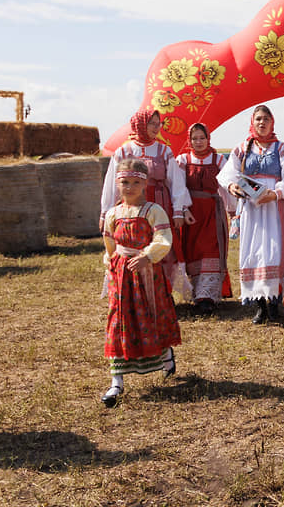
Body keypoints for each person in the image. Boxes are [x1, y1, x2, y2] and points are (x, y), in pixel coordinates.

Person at [100, 158, 181, 408]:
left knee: (151, 316)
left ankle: (166, 356)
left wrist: (147, 256)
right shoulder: (113, 214)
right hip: (121, 276)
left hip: (147, 273)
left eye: (135, 182)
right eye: (124, 182)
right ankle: (117, 382)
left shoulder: (153, 211)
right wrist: (112, 264)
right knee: (118, 321)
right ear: (117, 183)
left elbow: (163, 237)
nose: (129, 187)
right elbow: (110, 245)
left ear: (145, 184)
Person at [216, 105, 284, 324]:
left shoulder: (283, 149)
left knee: (274, 251)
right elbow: (227, 173)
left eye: (266, 119)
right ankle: (260, 305)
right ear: (252, 122)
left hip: (275, 208)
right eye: (258, 119)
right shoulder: (243, 148)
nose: (262, 123)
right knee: (253, 251)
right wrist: (232, 186)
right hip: (251, 209)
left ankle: (274, 303)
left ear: (273, 122)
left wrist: (275, 193)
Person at [101, 109, 193, 301]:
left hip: (160, 203)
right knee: (132, 246)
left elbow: (175, 182)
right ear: (140, 124)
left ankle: (161, 293)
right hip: (130, 207)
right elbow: (112, 184)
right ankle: (132, 292)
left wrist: (178, 210)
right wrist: (106, 212)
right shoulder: (123, 151)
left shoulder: (164, 150)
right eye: (152, 123)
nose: (156, 128)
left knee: (161, 247)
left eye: (158, 124)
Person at [175, 123, 235, 315]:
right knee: (193, 250)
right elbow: (177, 187)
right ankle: (196, 293)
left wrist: (233, 211)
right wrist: (183, 209)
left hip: (212, 212)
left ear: (208, 138)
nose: (199, 142)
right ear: (189, 140)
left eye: (202, 138)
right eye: (194, 139)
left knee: (211, 250)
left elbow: (226, 185)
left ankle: (206, 296)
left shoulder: (218, 160)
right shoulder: (182, 160)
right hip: (190, 214)